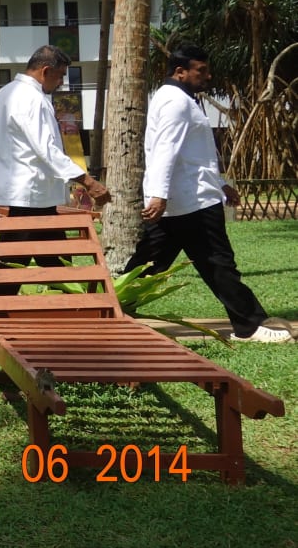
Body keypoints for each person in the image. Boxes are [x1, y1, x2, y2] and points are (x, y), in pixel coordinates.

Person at [124, 43, 291, 343]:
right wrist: (158, 195)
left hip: (184, 199)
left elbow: (194, 156)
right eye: (200, 71)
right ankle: (249, 327)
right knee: (217, 263)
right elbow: (165, 150)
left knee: (146, 265)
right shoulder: (176, 102)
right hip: (192, 202)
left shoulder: (177, 98)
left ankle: (110, 311)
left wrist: (221, 183)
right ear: (180, 71)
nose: (207, 76)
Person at [0, 45, 111, 294]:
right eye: (60, 76)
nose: (61, 83)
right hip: (32, 194)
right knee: (14, 263)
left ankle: (73, 306)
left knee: (53, 261)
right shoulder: (33, 99)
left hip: (31, 196)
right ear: (46, 71)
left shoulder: (5, 93)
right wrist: (88, 181)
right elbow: (47, 150)